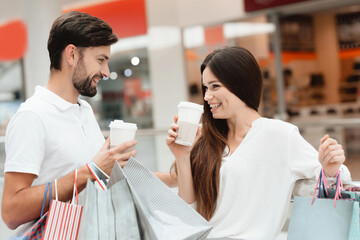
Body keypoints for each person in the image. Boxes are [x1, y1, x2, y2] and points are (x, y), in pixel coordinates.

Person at [165, 46, 351, 239]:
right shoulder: (206, 139)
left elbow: (336, 181)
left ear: (240, 84)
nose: (206, 96)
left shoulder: (279, 135)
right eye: (205, 88)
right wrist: (182, 155)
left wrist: (331, 165)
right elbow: (190, 212)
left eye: (215, 86)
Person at [1, 11, 137, 230]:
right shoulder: (32, 116)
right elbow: (11, 211)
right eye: (101, 60)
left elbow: (96, 178)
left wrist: (176, 175)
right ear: (72, 55)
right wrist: (90, 171)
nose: (106, 72)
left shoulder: (84, 111)